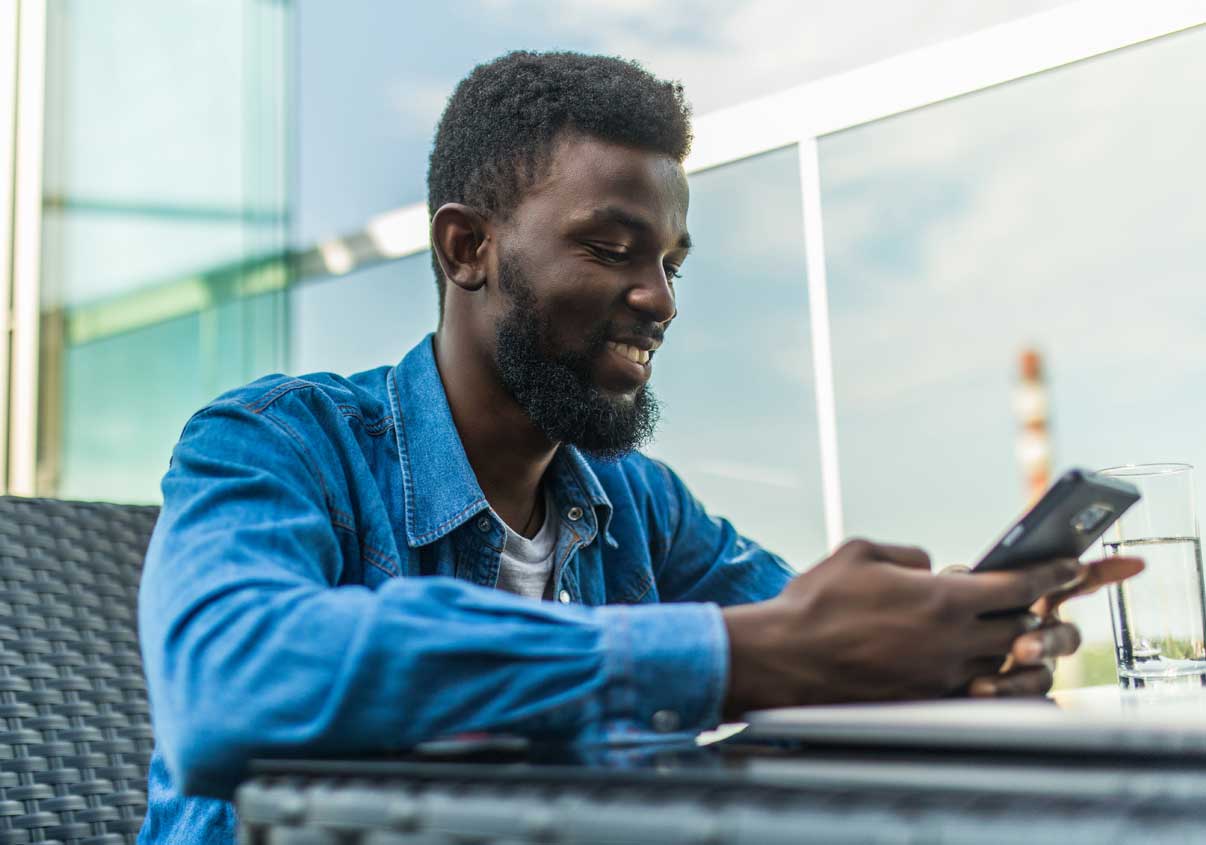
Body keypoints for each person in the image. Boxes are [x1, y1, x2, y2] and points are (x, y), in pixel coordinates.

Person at [136, 51, 1141, 845]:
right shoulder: (276, 443)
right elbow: (229, 681)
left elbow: (814, 649)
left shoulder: (639, 504)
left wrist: (946, 651)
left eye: (670, 261)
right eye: (613, 250)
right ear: (466, 248)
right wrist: (742, 653)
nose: (661, 298)